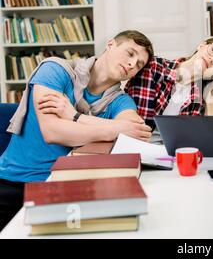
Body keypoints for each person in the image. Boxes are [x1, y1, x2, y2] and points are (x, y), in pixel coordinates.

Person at [0, 30, 153, 230]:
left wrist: (74, 116)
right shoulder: (55, 69)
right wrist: (113, 130)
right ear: (110, 44)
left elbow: (137, 134)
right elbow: (53, 132)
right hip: (11, 183)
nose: (133, 64)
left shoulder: (120, 101)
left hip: (64, 188)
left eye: (139, 65)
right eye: (130, 53)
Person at [126, 35, 213, 128]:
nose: (212, 59)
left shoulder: (200, 101)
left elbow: (187, 141)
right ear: (202, 45)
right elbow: (137, 128)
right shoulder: (153, 67)